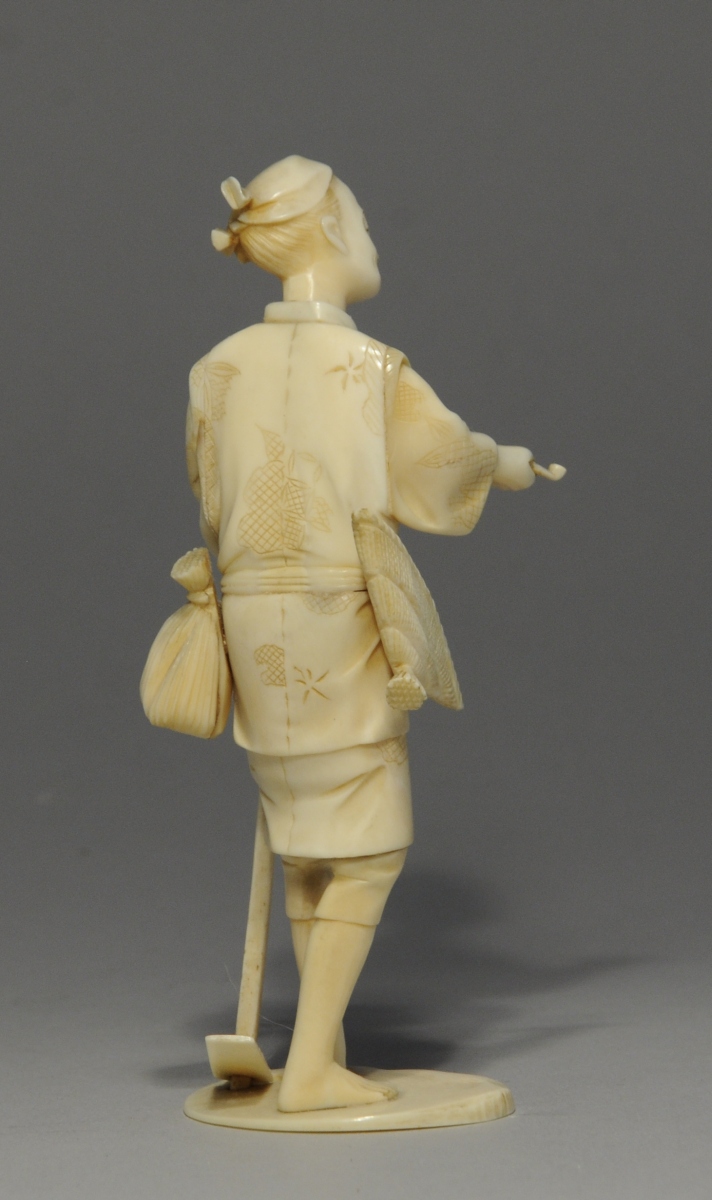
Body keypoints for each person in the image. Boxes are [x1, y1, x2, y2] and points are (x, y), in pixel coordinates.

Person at [186, 156, 537, 1113]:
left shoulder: (214, 369)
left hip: (252, 616)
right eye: (368, 224)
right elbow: (440, 465)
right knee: (370, 843)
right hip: (339, 612)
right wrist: (504, 462)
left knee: (306, 836)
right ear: (334, 233)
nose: (375, 241)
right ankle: (309, 1072)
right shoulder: (370, 367)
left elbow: (210, 495)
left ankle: (320, 1048)